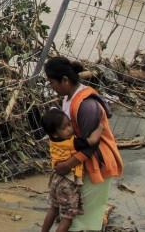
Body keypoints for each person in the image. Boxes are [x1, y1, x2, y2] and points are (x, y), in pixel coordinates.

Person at [43, 57, 123, 232]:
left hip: (97, 164)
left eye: (52, 82)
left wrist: (66, 165)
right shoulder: (68, 98)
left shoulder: (87, 106)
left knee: (81, 221)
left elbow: (90, 146)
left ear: (65, 80)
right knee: (79, 218)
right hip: (81, 165)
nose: (51, 87)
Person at [41, 108, 104, 232]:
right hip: (67, 182)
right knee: (68, 217)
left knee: (53, 209)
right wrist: (101, 127)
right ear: (55, 133)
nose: (70, 129)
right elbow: (92, 141)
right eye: (65, 128)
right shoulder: (71, 142)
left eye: (70, 124)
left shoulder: (54, 141)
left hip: (55, 179)